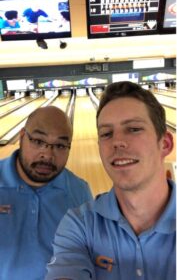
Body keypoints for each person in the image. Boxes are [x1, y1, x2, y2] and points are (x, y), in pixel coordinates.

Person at [46, 81, 175, 280]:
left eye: (133, 129)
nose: (117, 142)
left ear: (165, 144)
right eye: (106, 133)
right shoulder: (79, 225)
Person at [0, 106, 93, 280]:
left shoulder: (80, 192)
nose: (47, 154)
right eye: (38, 141)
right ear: (21, 137)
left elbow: (87, 257)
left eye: (60, 145)